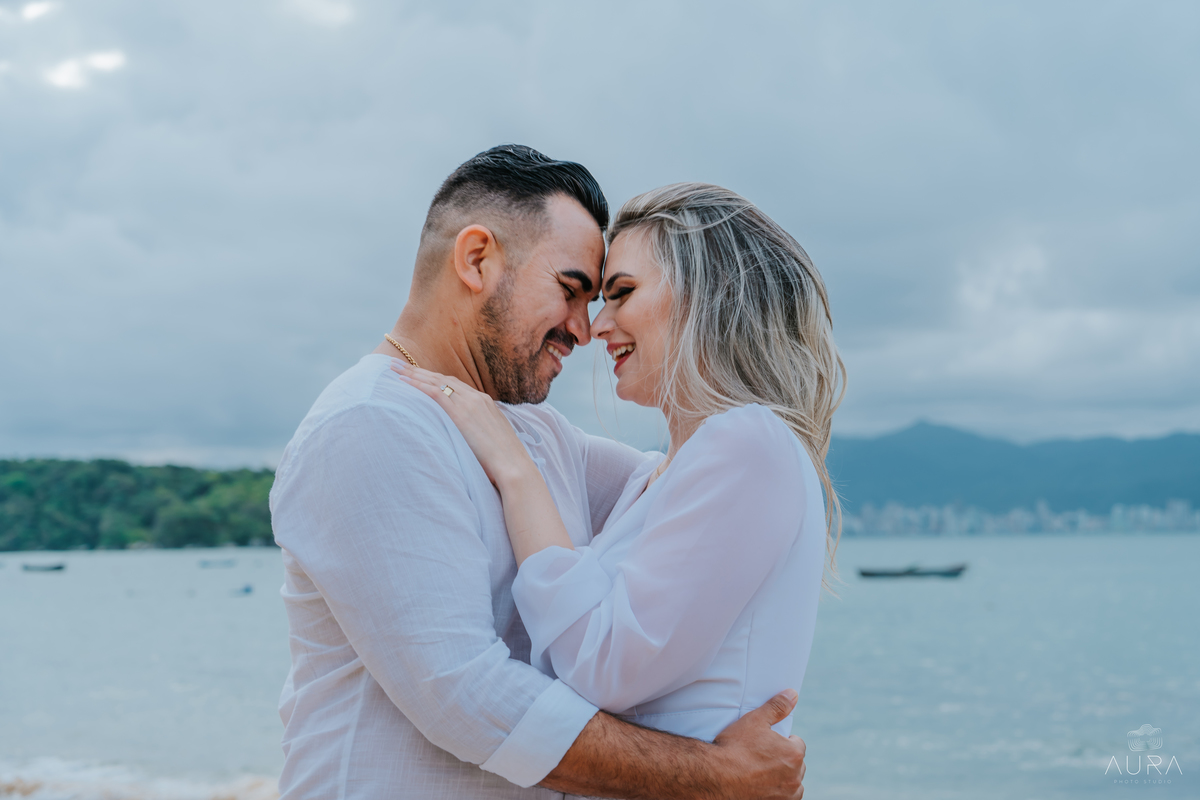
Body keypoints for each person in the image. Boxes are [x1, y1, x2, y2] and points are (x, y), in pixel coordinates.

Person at [270, 147, 808, 800]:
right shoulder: (372, 423)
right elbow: (465, 695)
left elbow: (688, 494)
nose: (585, 331)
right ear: (476, 260)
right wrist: (714, 776)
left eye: (610, 296)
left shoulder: (532, 435)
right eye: (572, 290)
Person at [395, 182, 844, 770]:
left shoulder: (748, 442)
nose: (596, 327)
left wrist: (515, 470)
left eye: (622, 294)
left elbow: (607, 667)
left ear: (708, 296)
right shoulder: (667, 472)